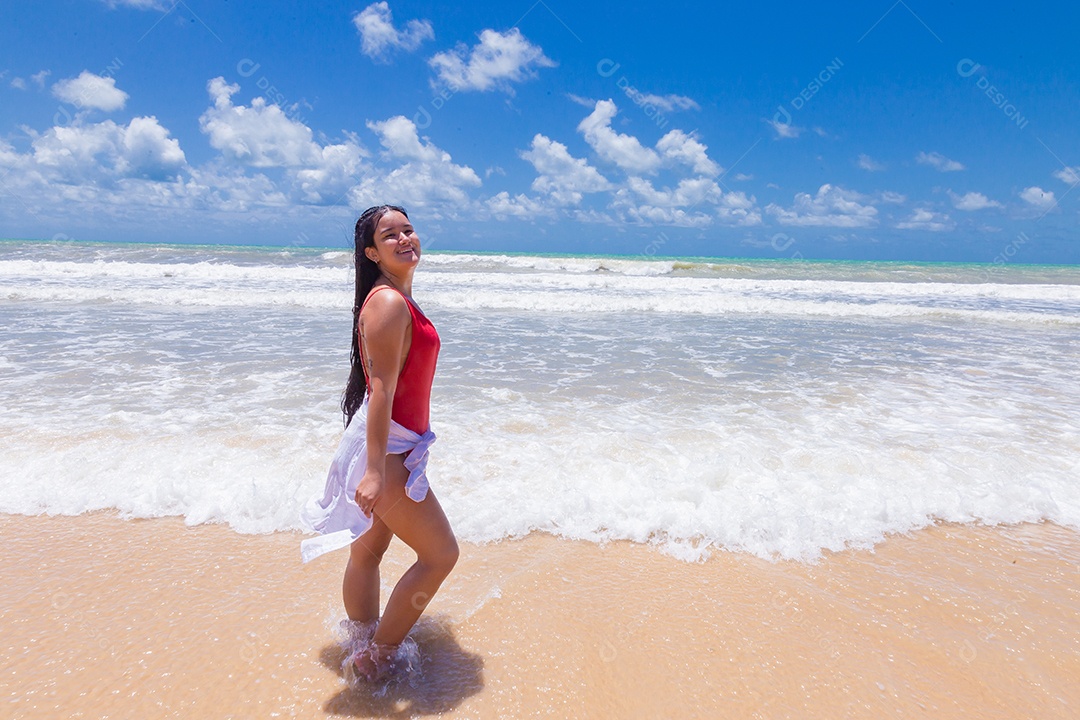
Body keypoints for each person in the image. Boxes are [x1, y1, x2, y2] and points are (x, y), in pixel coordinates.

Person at [300, 204, 458, 683]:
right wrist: (372, 471)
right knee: (440, 555)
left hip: (388, 443)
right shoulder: (388, 302)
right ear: (372, 251)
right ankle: (379, 656)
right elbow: (381, 390)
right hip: (385, 451)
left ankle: (361, 639)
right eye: (391, 235)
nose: (406, 238)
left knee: (367, 552)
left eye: (409, 229)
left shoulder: (391, 298)